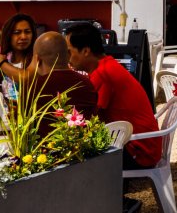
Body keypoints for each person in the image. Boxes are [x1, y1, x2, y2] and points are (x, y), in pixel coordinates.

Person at [65, 23, 160, 169]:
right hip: (142, 145)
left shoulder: (102, 74)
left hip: (139, 151)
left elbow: (90, 118)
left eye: (69, 52)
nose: (68, 58)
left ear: (85, 51)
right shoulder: (107, 65)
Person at [27, 31, 98, 137]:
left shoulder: (34, 87)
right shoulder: (86, 84)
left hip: (45, 151)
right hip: (85, 148)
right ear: (69, 54)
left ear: (37, 59)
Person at [0, 13, 38, 86]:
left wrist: (2, 63)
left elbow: (25, 79)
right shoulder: (6, 57)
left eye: (27, 32)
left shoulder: (37, 57)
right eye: (17, 32)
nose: (23, 37)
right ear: (8, 36)